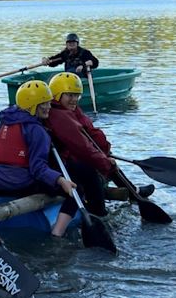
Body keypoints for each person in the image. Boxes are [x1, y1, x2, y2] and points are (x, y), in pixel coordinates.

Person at [0, 80, 77, 238]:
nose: (49, 107)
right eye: (44, 103)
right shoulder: (37, 131)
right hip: (19, 184)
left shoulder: (3, 122)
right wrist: (61, 181)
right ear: (33, 105)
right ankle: (57, 233)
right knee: (77, 192)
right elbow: (38, 169)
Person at [48, 73, 153, 202]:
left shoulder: (70, 109)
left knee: (105, 160)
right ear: (57, 95)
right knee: (90, 171)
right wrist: (105, 162)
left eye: (77, 95)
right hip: (61, 162)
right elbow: (82, 147)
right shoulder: (60, 116)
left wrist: (105, 152)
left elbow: (91, 132)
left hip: (71, 155)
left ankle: (133, 192)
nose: (74, 99)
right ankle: (99, 212)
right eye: (70, 95)